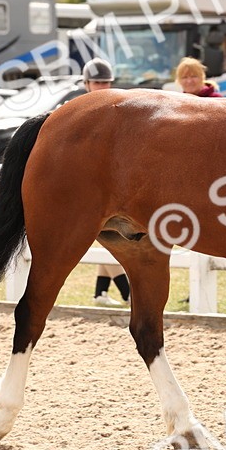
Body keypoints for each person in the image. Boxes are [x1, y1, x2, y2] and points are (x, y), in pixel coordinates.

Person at [81, 58, 131, 305]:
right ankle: (126, 292)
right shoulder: (75, 110)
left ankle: (101, 293)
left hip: (113, 184)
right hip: (87, 186)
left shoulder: (119, 109)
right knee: (105, 237)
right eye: (97, 82)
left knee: (109, 238)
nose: (102, 87)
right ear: (87, 84)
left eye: (105, 82)